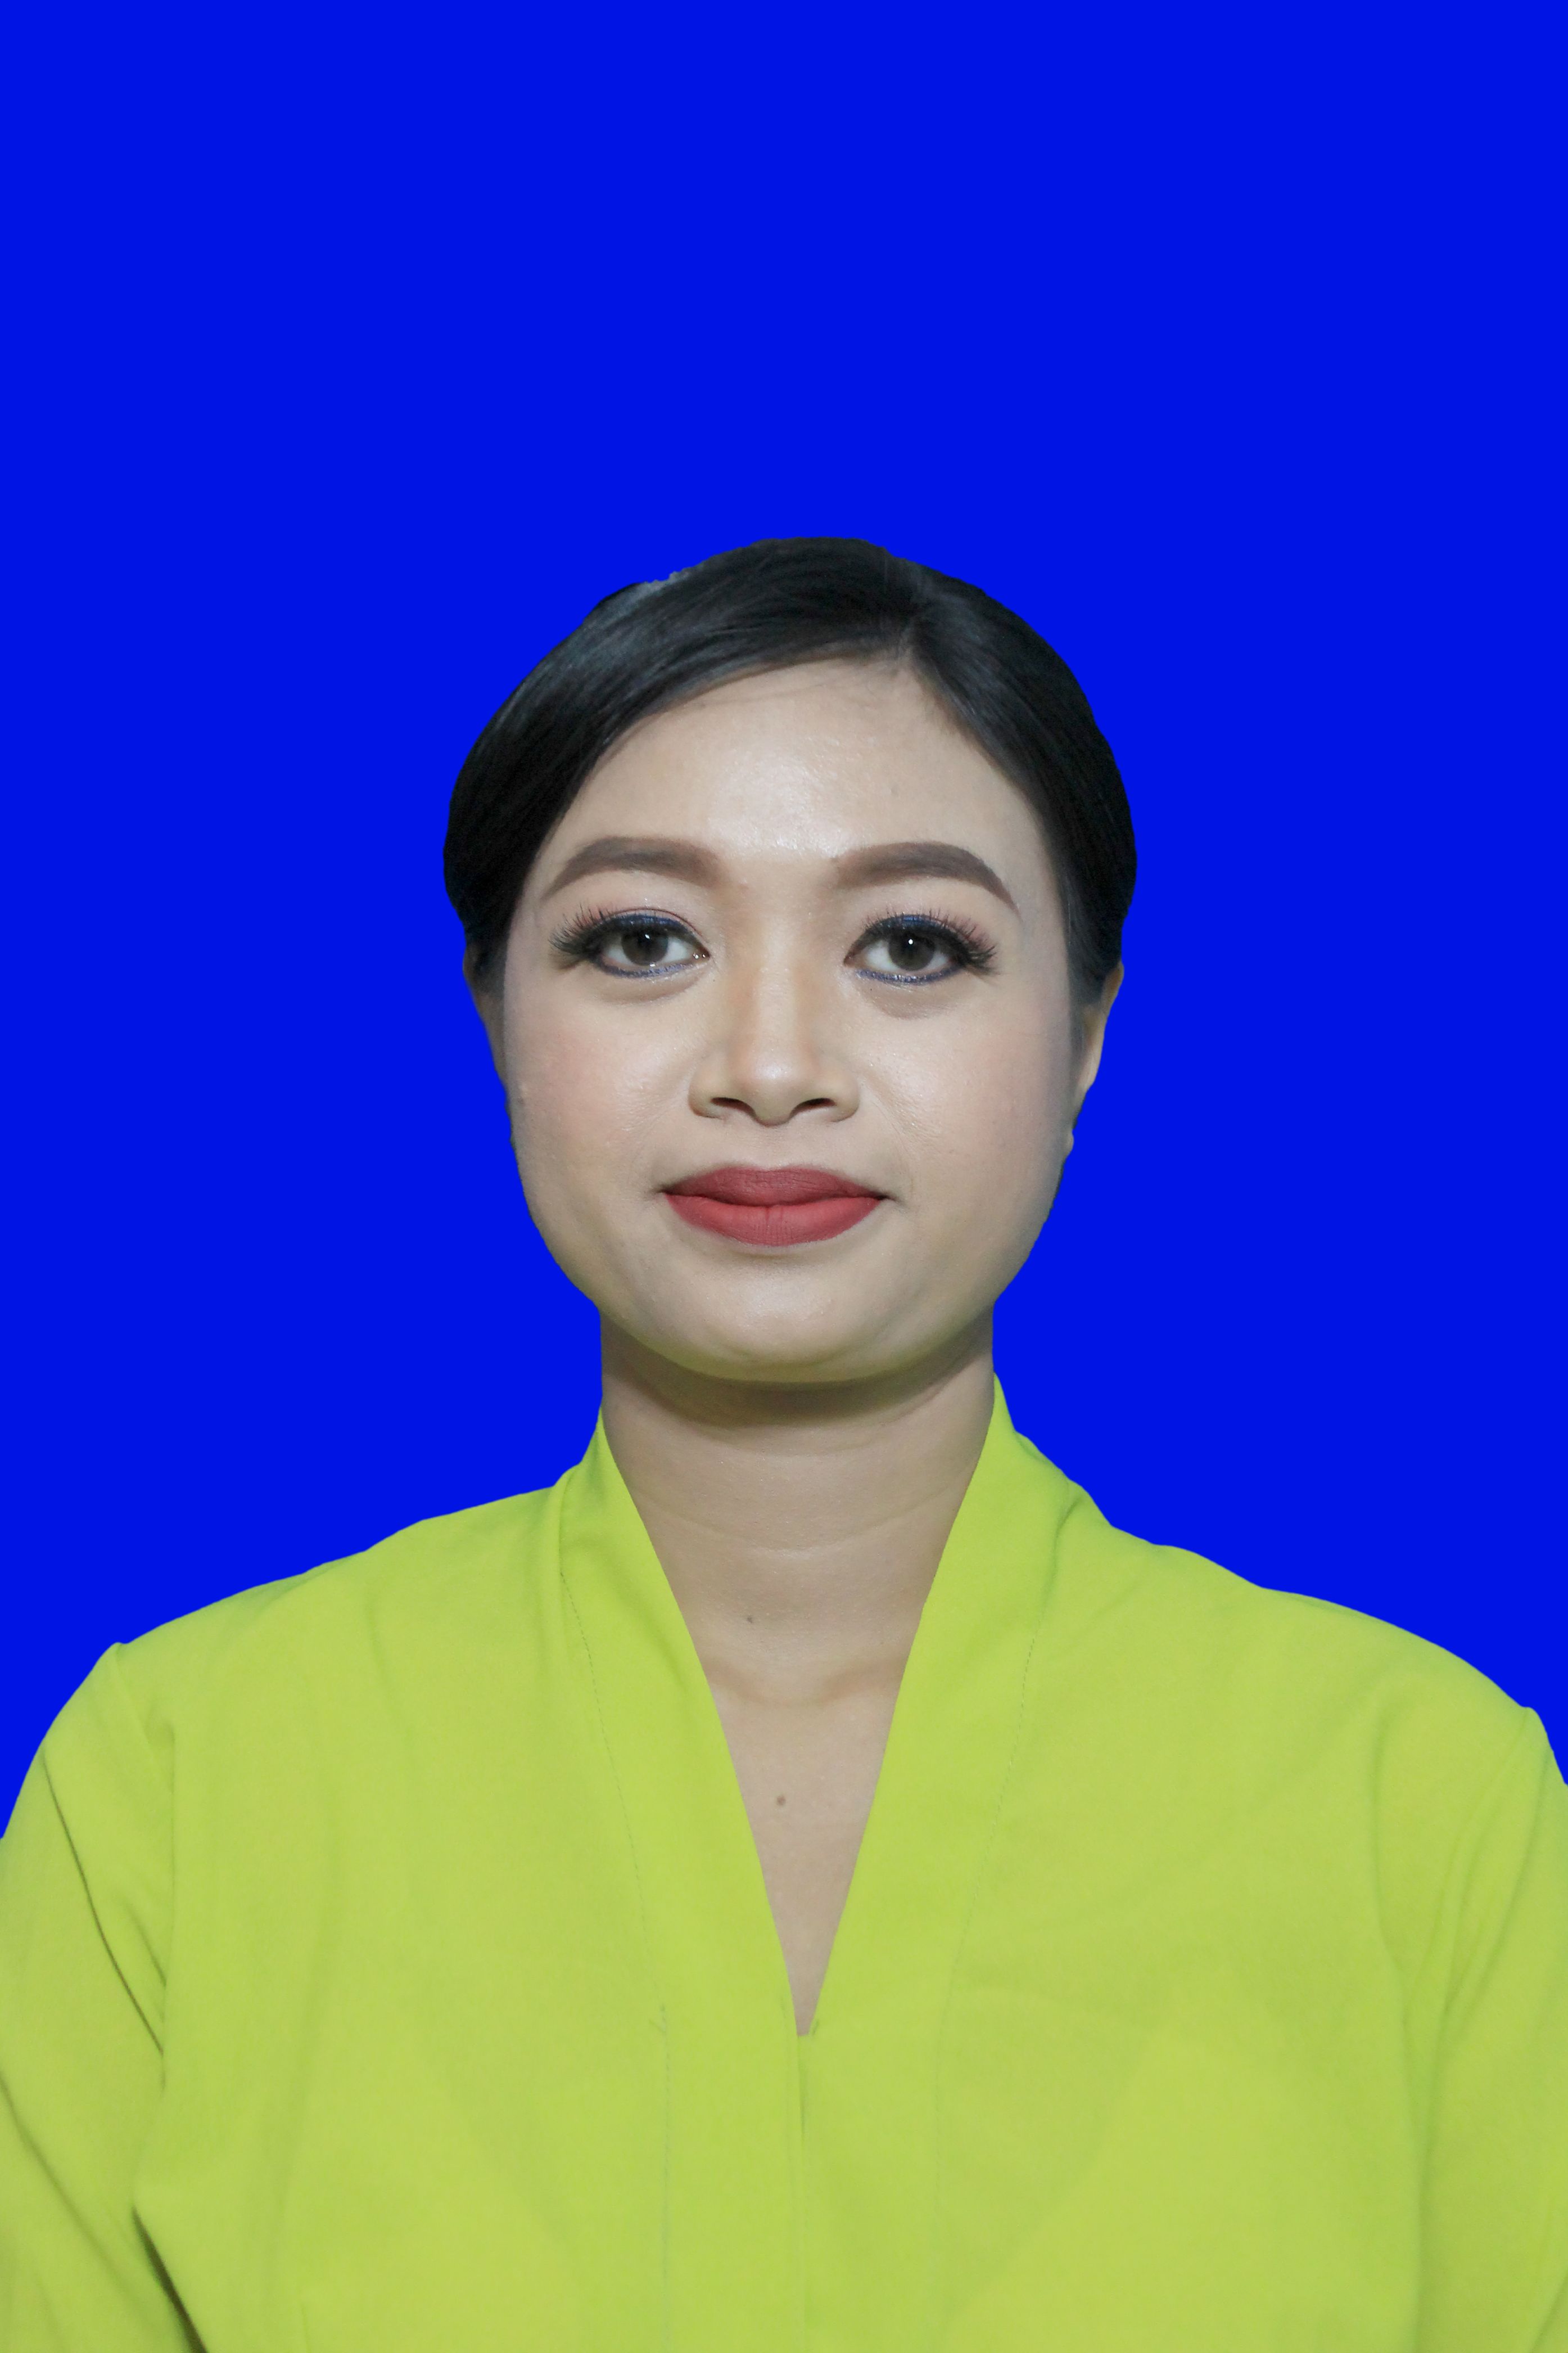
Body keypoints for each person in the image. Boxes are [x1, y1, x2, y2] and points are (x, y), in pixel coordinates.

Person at [3, 538, 1566, 2351]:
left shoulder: (1422, 1805)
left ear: (1085, 1035)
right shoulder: (180, 1786)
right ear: (496, 1016)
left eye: (912, 946)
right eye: (642, 940)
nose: (768, 1064)